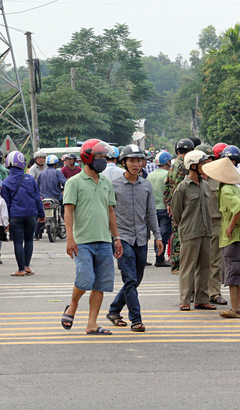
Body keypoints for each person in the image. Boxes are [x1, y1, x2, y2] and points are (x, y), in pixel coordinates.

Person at [61, 139, 122, 335]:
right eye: (100, 157)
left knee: (101, 283)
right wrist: (70, 239)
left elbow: (111, 211)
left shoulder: (106, 183)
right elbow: (68, 211)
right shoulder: (74, 182)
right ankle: (73, 304)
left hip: (104, 240)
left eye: (105, 157)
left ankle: (92, 323)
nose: (103, 161)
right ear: (87, 158)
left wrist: (117, 237)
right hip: (82, 241)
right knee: (85, 277)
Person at [106, 145, 163, 332]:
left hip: (141, 238)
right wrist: (114, 238)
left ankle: (114, 310)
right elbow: (109, 213)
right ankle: (136, 319)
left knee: (136, 280)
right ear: (124, 163)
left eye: (139, 161)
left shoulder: (146, 185)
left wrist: (158, 237)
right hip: (122, 239)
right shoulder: (113, 186)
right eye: (132, 161)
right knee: (130, 279)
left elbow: (151, 213)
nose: (136, 164)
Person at [202, 157, 240, 319]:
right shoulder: (234, 188)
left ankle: (235, 309)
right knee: (235, 272)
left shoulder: (225, 190)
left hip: (232, 237)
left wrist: (230, 226)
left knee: (232, 274)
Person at [171, 150, 215, 311]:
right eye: (203, 163)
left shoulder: (205, 184)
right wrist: (186, 226)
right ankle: (185, 300)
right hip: (190, 232)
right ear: (193, 166)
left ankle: (202, 299)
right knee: (188, 268)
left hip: (205, 231)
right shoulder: (182, 188)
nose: (206, 166)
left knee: (205, 267)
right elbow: (176, 213)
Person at [1, 151, 45, 276]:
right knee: (29, 240)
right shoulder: (30, 179)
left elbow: (6, 204)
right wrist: (41, 215)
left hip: (15, 216)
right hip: (31, 214)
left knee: (18, 242)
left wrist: (6, 221)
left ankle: (20, 269)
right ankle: (27, 266)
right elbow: (37, 198)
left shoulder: (7, 182)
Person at [198, 144, 227, 305]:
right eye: (203, 160)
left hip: (215, 223)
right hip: (195, 225)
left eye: (209, 159)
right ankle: (197, 292)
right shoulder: (190, 180)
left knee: (215, 260)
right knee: (197, 261)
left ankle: (214, 292)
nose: (207, 163)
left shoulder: (220, 180)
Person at [163, 138, 195, 274]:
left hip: (174, 204)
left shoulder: (173, 165)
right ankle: (179, 264)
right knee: (183, 234)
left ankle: (175, 263)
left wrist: (168, 203)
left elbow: (167, 185)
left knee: (175, 233)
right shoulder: (186, 166)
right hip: (183, 205)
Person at [147, 151, 173, 267]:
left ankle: (159, 256)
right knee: (163, 235)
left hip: (153, 209)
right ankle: (159, 258)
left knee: (157, 234)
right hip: (164, 208)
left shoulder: (150, 175)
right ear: (167, 162)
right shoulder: (167, 175)